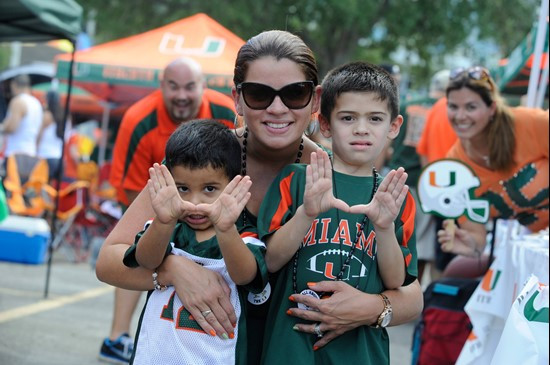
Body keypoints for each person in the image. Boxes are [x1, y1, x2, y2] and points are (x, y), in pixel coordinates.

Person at [96, 30, 423, 364]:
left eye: (294, 93)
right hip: (193, 351)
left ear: (315, 99)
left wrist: (372, 308)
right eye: (258, 94)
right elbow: (109, 260)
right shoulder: (198, 163)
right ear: (237, 99)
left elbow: (411, 295)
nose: (277, 108)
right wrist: (173, 269)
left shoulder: (330, 174)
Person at [257, 61, 417, 364]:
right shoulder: (297, 179)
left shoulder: (396, 197)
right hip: (290, 349)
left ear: (393, 126)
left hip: (361, 352)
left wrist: (383, 228)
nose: (361, 128)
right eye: (347, 117)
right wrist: (307, 212)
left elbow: (397, 281)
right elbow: (271, 260)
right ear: (326, 125)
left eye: (375, 118)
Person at [100, 56, 237, 364]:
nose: (182, 95)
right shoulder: (139, 119)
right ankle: (117, 335)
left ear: (204, 86)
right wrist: (167, 252)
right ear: (161, 86)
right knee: (137, 246)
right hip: (158, 195)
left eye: (190, 86)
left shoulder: (225, 116)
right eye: (173, 86)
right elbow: (132, 193)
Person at [122, 120, 266, 364]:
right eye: (183, 188)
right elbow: (146, 260)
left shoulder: (242, 234)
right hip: (153, 355)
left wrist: (225, 228)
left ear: (234, 183)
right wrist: (164, 221)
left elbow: (246, 276)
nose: (195, 202)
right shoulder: (168, 228)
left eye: (210, 188)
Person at [437, 66, 548, 271]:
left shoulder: (530, 124)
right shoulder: (455, 166)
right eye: (453, 106)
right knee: (455, 270)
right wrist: (470, 245)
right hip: (537, 248)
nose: (460, 116)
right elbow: (476, 234)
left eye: (471, 107)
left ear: (492, 108)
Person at [386, 69, 450, 284]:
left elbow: (388, 142)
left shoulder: (407, 105)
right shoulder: (446, 109)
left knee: (394, 239)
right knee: (420, 246)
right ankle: (411, 296)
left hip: (396, 178)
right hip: (426, 184)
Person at [0, 74, 43, 173]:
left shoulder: (18, 101)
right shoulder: (37, 104)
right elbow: (39, 132)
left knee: (10, 186)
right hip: (31, 153)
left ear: (14, 85)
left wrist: (3, 126)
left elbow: (12, 127)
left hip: (15, 153)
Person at [37, 89, 64, 181]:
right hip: (58, 157)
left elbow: (39, 136)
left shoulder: (47, 115)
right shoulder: (63, 115)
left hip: (45, 156)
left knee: (41, 185)